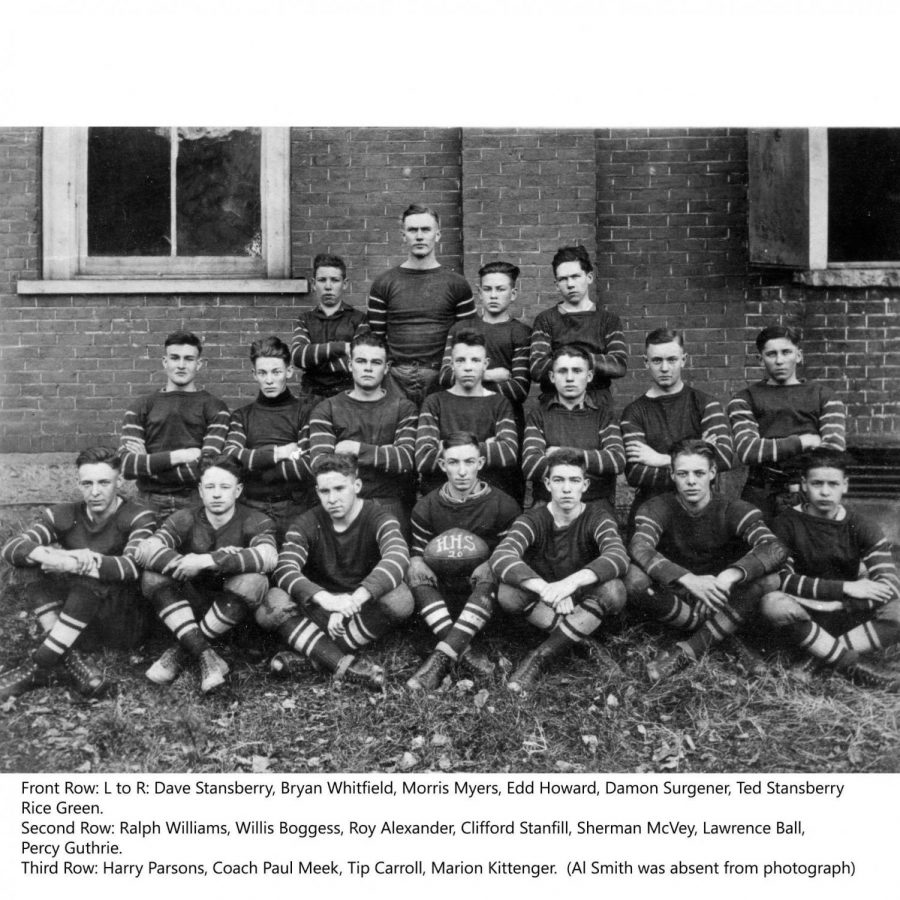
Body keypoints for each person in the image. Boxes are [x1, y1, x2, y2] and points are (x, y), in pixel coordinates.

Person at [0, 448, 156, 700]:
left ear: (119, 481)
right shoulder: (64, 514)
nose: (94, 492)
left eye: (104, 482)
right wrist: (57, 558)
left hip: (121, 620)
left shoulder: (138, 516)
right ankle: (68, 656)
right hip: (77, 616)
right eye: (87, 483)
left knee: (93, 573)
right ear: (78, 484)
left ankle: (40, 664)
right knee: (28, 563)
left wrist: (77, 563)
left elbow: (131, 567)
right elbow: (12, 548)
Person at [626, 439, 787, 681]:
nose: (691, 481)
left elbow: (774, 547)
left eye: (699, 473)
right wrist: (688, 579)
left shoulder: (732, 508)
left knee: (771, 578)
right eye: (682, 473)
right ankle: (723, 635)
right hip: (677, 594)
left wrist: (726, 578)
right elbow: (639, 547)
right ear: (672, 474)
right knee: (632, 578)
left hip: (721, 596)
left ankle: (689, 648)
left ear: (712, 473)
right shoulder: (656, 507)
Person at [259, 453, 413, 691]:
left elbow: (397, 557)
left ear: (357, 485)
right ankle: (344, 665)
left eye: (340, 488)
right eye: (324, 491)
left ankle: (317, 656)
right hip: (320, 608)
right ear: (317, 491)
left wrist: (352, 601)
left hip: (361, 607)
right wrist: (327, 600)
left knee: (401, 598)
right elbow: (285, 567)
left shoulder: (379, 516)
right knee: (272, 602)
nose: (332, 498)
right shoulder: (306, 522)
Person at [490, 449, 628, 694]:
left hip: (584, 599)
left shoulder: (598, 516)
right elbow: (502, 556)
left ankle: (540, 657)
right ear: (547, 483)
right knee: (507, 593)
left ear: (585, 485)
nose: (566, 489)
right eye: (559, 480)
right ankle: (585, 643)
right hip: (546, 600)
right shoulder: (533, 519)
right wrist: (546, 589)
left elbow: (617, 556)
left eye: (574, 481)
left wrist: (570, 584)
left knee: (614, 589)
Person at [761, 448, 900, 690]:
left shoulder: (862, 525)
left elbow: (890, 582)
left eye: (833, 484)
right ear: (804, 484)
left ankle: (815, 661)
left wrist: (846, 604)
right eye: (817, 483)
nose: (825, 491)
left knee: (897, 611)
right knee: (772, 603)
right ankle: (849, 664)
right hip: (802, 613)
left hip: (846, 614)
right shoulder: (785, 523)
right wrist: (845, 588)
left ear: (844, 485)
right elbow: (782, 579)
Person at [138, 455, 277, 694]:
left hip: (232, 612)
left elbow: (269, 556)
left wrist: (209, 560)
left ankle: (182, 650)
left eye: (225, 487)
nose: (216, 494)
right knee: (152, 577)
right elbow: (145, 550)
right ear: (201, 490)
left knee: (254, 581)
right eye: (210, 487)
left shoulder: (254, 519)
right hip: (189, 605)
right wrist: (184, 563)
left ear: (238, 490)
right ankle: (205, 654)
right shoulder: (185, 517)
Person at [406, 433, 521, 691]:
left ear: (480, 463)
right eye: (453, 462)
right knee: (413, 570)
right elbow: (417, 552)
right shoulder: (425, 507)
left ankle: (441, 657)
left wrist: (492, 561)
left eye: (469, 462)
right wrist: (416, 559)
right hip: (442, 594)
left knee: (494, 567)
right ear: (442, 464)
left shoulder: (504, 505)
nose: (461, 471)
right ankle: (464, 651)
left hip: (483, 596)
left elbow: (512, 555)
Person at [728, 324, 846, 522]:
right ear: (760, 359)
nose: (780, 360)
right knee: (759, 549)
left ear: (798, 356)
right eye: (771, 354)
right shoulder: (744, 399)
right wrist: (803, 442)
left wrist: (771, 447)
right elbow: (748, 450)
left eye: (786, 352)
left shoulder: (824, 397)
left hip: (809, 493)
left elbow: (833, 450)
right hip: (761, 493)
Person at [437, 260, 532, 502]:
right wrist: (490, 374)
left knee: (505, 493)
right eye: (487, 289)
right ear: (479, 293)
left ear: (513, 293)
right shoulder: (461, 328)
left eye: (500, 289)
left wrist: (469, 377)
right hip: (461, 415)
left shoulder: (520, 332)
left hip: (503, 419)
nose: (493, 295)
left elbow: (518, 388)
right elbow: (445, 376)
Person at [621, 328, 733, 531]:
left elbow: (724, 458)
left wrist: (661, 460)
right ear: (646, 362)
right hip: (652, 510)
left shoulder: (706, 404)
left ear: (684, 359)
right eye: (657, 361)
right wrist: (699, 462)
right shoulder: (634, 412)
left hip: (702, 512)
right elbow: (635, 473)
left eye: (672, 359)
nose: (665, 368)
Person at [308, 333, 419, 537]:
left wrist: (355, 449)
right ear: (350, 365)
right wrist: (383, 454)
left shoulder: (404, 408)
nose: (368, 368)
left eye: (376, 362)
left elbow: (405, 459)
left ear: (386, 368)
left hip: (389, 505)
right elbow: (319, 463)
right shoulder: (327, 408)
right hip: (341, 506)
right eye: (361, 361)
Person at [367, 204, 475, 405]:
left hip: (440, 376)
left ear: (437, 235)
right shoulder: (383, 283)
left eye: (425, 229)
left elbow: (468, 337)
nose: (419, 236)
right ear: (403, 236)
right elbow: (376, 337)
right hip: (395, 377)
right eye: (412, 230)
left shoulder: (457, 284)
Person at [119, 330, 230, 518]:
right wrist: (181, 456)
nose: (180, 365)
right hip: (147, 500)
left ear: (199, 364)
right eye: (174, 358)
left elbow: (207, 466)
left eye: (188, 359)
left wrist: (149, 465)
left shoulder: (215, 407)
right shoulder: (140, 406)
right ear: (165, 362)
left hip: (194, 500)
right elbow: (126, 466)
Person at [224, 335, 315, 540]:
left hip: (295, 507)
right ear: (254, 374)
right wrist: (279, 453)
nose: (269, 380)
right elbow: (231, 457)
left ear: (289, 372)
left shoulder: (306, 413)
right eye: (262, 373)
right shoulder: (241, 416)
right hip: (250, 508)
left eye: (276, 372)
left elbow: (308, 464)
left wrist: (256, 465)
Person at [416, 329, 519, 498]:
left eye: (475, 360)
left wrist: (444, 447)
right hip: (440, 496)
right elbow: (424, 458)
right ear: (451, 364)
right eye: (461, 360)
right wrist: (486, 446)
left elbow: (508, 454)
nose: (468, 367)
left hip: (486, 498)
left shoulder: (499, 403)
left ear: (485, 364)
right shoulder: (434, 402)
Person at [522, 345, 624, 509]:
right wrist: (591, 463)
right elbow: (531, 465)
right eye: (562, 371)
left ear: (589, 375)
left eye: (577, 371)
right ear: (552, 376)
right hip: (548, 505)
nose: (570, 378)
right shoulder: (538, 416)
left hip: (595, 504)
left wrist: (563, 454)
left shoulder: (604, 416)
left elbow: (616, 461)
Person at [530, 245, 627, 408]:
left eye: (575, 276)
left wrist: (576, 359)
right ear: (556, 284)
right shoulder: (546, 320)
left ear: (589, 277)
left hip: (597, 403)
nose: (570, 284)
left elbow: (618, 365)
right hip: (555, 403)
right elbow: (537, 369)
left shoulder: (608, 320)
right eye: (563, 279)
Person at [290, 253, 368, 402]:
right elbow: (298, 356)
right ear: (313, 284)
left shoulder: (359, 320)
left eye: (334, 280)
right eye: (322, 280)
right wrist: (342, 347)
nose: (328, 286)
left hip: (347, 396)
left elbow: (360, 361)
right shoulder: (305, 320)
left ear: (344, 284)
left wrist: (314, 360)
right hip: (311, 396)